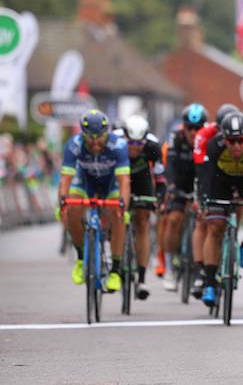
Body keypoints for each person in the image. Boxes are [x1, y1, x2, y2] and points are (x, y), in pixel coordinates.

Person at [199, 112, 243, 306]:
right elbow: (206, 177)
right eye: (231, 141)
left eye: (240, 140)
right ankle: (209, 283)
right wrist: (203, 201)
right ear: (224, 139)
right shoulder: (215, 145)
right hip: (221, 183)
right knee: (214, 228)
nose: (236, 146)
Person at [58, 109, 130, 292]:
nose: (96, 141)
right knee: (71, 210)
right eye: (90, 137)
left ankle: (115, 268)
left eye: (100, 137)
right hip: (85, 183)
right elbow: (65, 179)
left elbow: (124, 182)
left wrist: (124, 205)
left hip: (110, 184)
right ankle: (81, 257)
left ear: (107, 133)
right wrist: (62, 202)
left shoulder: (119, 145)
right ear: (83, 134)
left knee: (117, 213)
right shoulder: (74, 145)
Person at [113, 115, 166, 300]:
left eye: (139, 143)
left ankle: (142, 278)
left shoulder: (153, 147)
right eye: (131, 143)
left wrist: (158, 198)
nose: (134, 147)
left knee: (142, 222)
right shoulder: (113, 141)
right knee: (114, 216)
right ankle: (114, 263)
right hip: (117, 179)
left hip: (141, 180)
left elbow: (160, 179)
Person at [191, 103, 241, 298]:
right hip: (208, 174)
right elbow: (202, 171)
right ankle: (200, 270)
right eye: (221, 130)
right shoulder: (204, 135)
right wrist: (201, 198)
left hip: (233, 174)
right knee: (203, 220)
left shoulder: (240, 135)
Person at [161, 103, 207, 291]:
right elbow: (169, 166)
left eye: (198, 128)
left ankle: (199, 266)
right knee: (173, 220)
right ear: (183, 127)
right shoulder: (175, 139)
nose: (194, 132)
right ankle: (170, 267)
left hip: (199, 183)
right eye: (190, 128)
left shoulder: (207, 140)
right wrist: (171, 187)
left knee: (202, 222)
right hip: (179, 183)